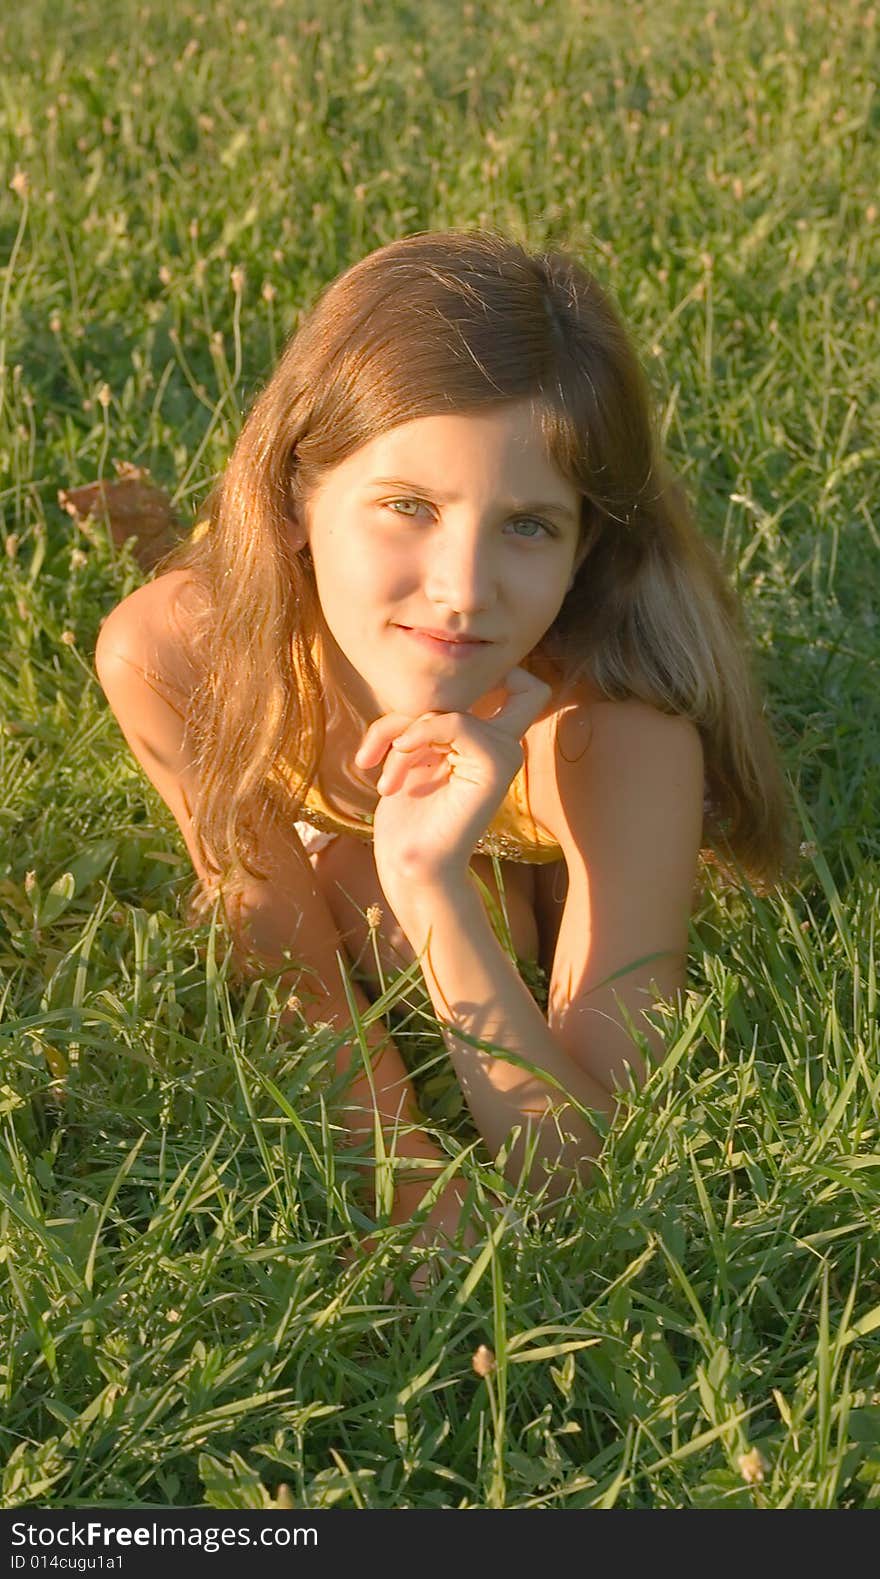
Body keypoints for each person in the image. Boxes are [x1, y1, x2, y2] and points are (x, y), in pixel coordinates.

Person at [93, 227, 792, 1270]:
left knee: (403, 907)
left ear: (582, 546)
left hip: (515, 819)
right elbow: (291, 968)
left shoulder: (614, 739)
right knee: (333, 895)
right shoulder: (174, 654)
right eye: (408, 507)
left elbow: (580, 1162)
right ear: (294, 498)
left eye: (527, 526)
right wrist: (403, 1165)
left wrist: (433, 894)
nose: (463, 589)